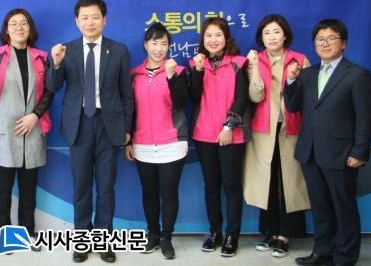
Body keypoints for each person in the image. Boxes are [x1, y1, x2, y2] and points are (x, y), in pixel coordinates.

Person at [47, 0, 134, 264]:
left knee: (106, 188)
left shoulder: (118, 50)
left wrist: (127, 128)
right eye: (84, 17)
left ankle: (104, 240)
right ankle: (82, 240)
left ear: (104, 20)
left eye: (95, 17)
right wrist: (56, 63)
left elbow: (126, 94)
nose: (90, 22)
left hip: (110, 126)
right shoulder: (67, 50)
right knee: (81, 187)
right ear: (77, 21)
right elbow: (52, 87)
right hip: (79, 126)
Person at [284, 19, 371, 266]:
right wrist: (290, 81)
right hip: (310, 152)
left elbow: (365, 118)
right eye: (320, 40)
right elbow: (293, 106)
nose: (325, 44)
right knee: (320, 207)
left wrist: (359, 152)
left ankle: (345, 256)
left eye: (331, 39)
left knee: (343, 207)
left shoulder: (357, 75)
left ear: (343, 43)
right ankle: (322, 251)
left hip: (341, 154)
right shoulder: (307, 74)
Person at [0, 8, 53, 247]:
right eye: (13, 24)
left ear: (30, 28)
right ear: (6, 29)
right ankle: (6, 236)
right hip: (4, 131)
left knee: (28, 190)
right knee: (3, 190)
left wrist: (35, 116)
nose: (19, 28)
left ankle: (27, 233)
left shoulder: (41, 57)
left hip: (32, 129)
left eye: (23, 23)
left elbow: (49, 92)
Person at [244, 14, 310, 258]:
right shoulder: (254, 60)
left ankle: (286, 234)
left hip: (291, 130)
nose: (271, 37)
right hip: (263, 131)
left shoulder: (300, 60)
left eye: (276, 32)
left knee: (291, 183)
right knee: (267, 182)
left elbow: (308, 98)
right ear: (261, 38)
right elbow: (255, 96)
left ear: (285, 35)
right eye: (267, 33)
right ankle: (270, 231)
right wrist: (254, 68)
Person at [124, 23, 189, 260]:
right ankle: (152, 233)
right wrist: (128, 141)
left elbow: (182, 102)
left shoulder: (179, 71)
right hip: (142, 143)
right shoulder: (133, 74)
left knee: (169, 193)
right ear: (145, 45)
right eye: (154, 43)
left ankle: (166, 237)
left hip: (172, 142)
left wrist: (171, 76)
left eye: (164, 43)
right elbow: (129, 110)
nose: (159, 48)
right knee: (149, 192)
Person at [189, 16, 249, 257]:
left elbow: (242, 98)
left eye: (218, 35)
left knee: (232, 186)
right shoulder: (198, 63)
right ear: (203, 39)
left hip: (230, 135)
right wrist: (197, 71)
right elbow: (194, 97)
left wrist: (228, 127)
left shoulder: (239, 63)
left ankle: (232, 235)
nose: (213, 40)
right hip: (204, 134)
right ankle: (215, 232)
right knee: (211, 185)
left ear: (226, 38)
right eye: (208, 35)